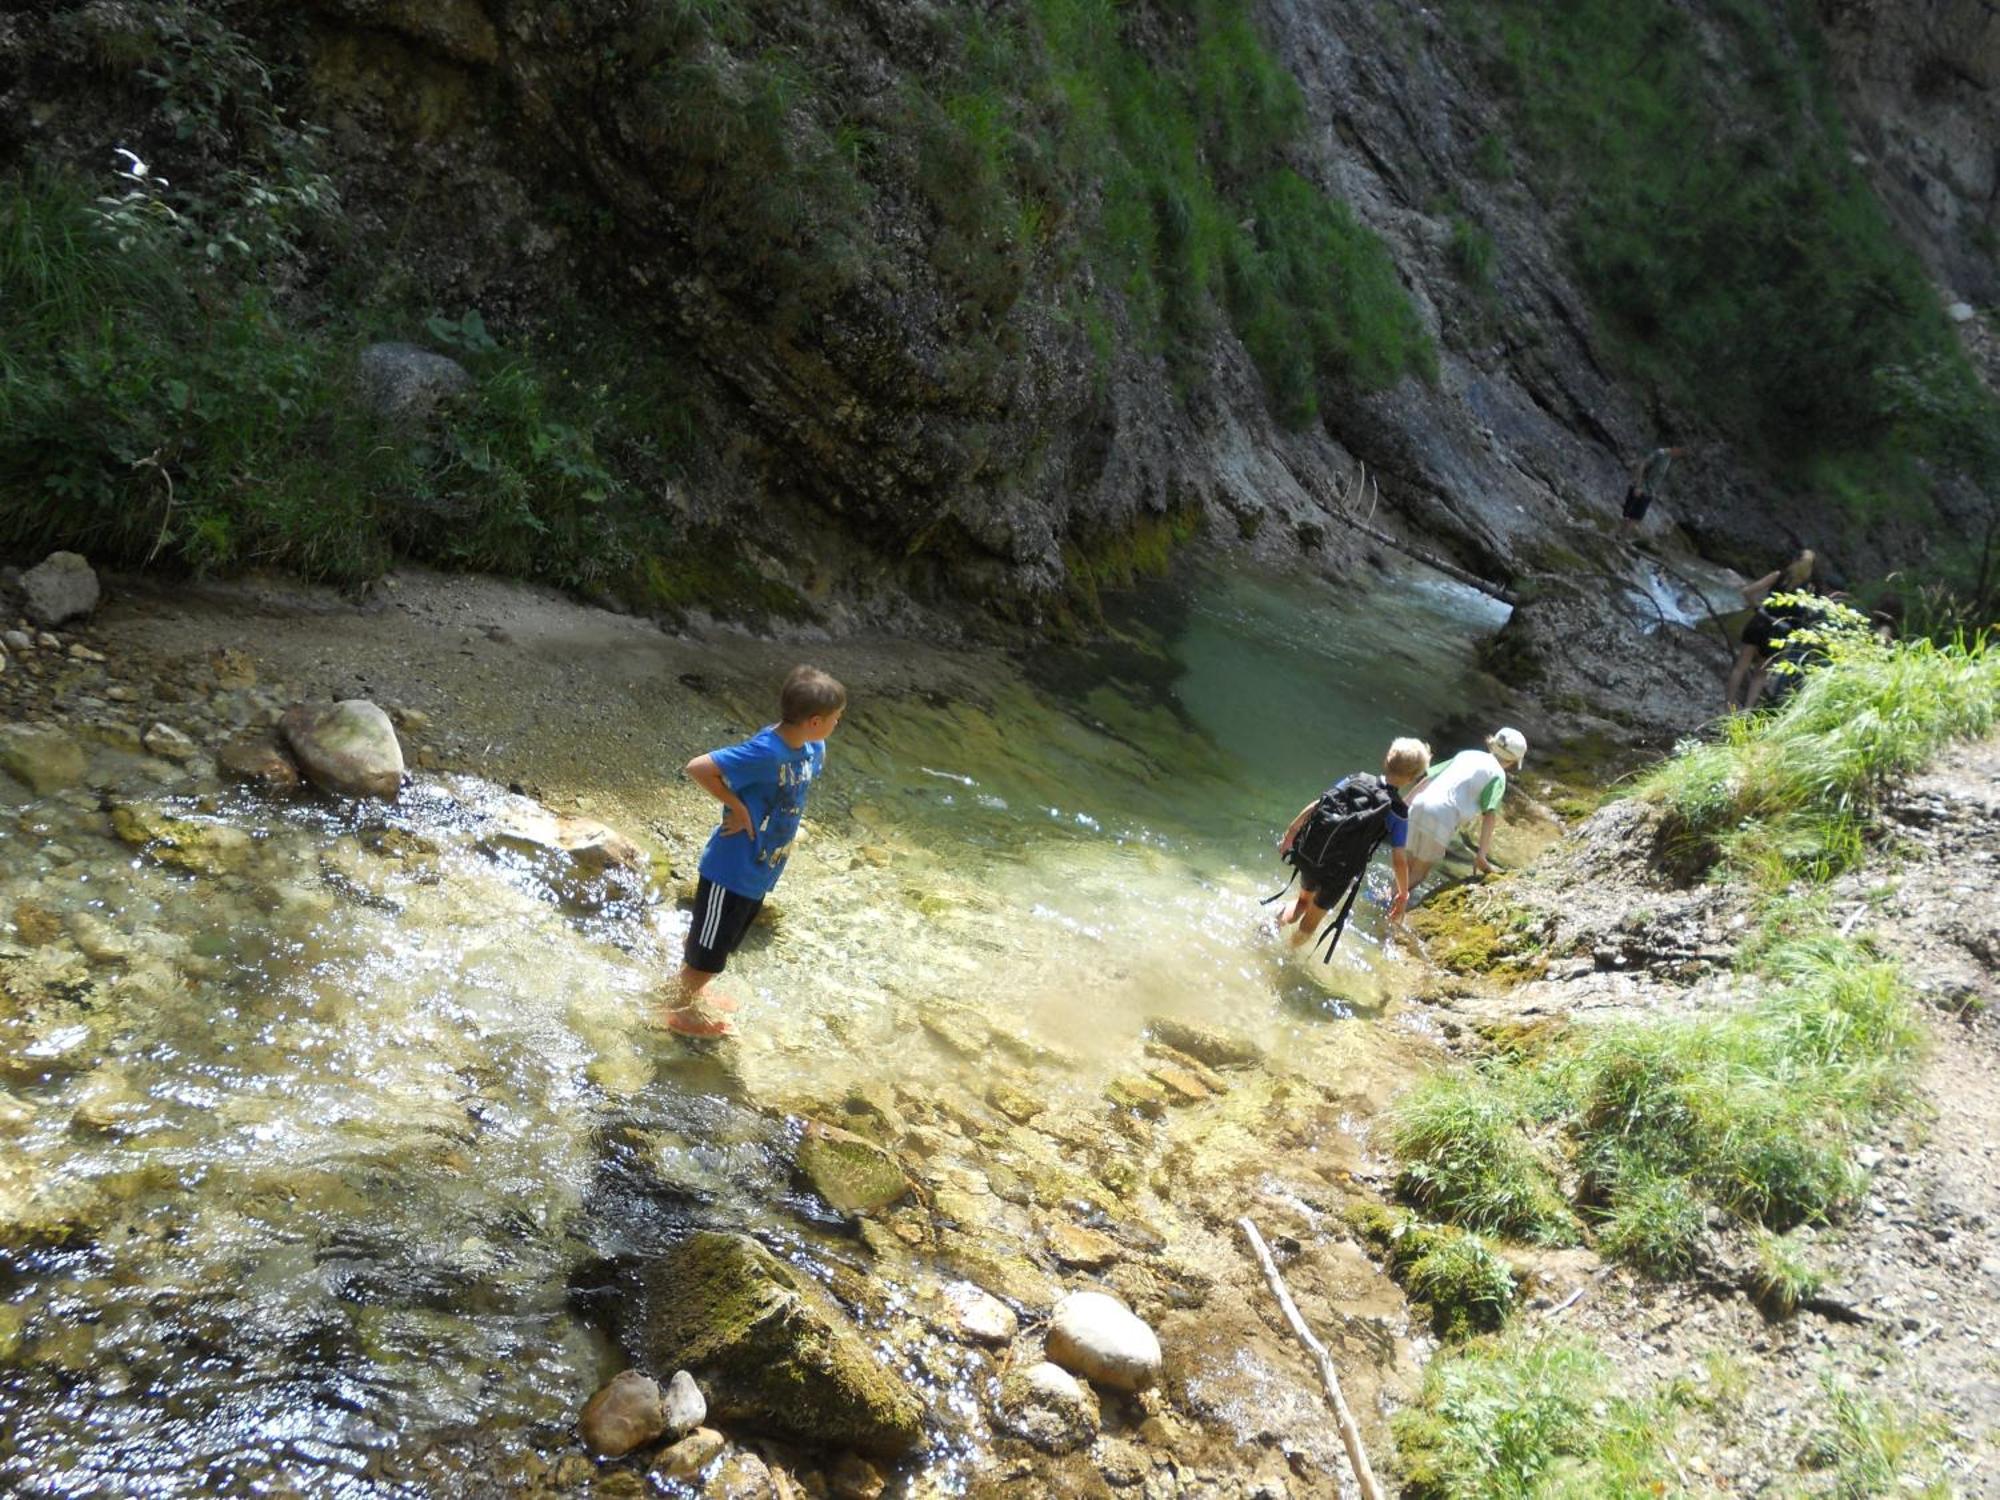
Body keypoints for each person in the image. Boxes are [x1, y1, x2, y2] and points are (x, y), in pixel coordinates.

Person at [660, 665, 846, 1036]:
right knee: (708, 951)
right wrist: (737, 807)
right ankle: (675, 1006)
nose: (837, 724)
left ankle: (694, 987)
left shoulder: (810, 748)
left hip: (759, 868)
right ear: (813, 721)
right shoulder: (766, 751)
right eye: (836, 719)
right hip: (730, 868)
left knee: (721, 943)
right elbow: (699, 768)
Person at [1273, 737, 1431, 957]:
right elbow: (1398, 860)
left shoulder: (1355, 778)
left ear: (1387, 758)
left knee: (1302, 901)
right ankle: (1283, 952)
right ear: (1414, 778)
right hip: (1339, 873)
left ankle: (1271, 927)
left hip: (1314, 853)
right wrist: (1403, 894)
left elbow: (1319, 803)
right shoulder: (1398, 812)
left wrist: (1291, 833)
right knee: (1311, 923)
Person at [1397, 728, 1526, 909]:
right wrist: (1481, 855)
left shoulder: (1467, 754)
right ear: (1512, 761)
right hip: (1443, 817)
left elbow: (1429, 777)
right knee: (1419, 873)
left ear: (1492, 743)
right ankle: (1390, 902)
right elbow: (1489, 814)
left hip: (1419, 804)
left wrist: (1403, 804)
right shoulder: (1498, 775)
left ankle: (1385, 897)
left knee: (1405, 864)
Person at [1725, 549, 1814, 711]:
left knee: (1740, 666)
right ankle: (1747, 710)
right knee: (1761, 674)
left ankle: (1728, 705)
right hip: (1779, 634)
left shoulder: (1778, 576)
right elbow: (1802, 618)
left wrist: (1757, 608)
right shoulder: (1808, 590)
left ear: (1794, 560)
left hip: (1760, 622)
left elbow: (1747, 592)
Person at [1621, 445, 1685, 534]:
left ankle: (1621, 538)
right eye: (1680, 451)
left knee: (1636, 517)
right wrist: (1638, 486)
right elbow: (1643, 464)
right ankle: (1617, 536)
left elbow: (1656, 477)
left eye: (1682, 453)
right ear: (1675, 447)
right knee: (1629, 515)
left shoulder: (1669, 459)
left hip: (1649, 492)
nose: (1680, 454)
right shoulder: (1660, 453)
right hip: (1641, 488)